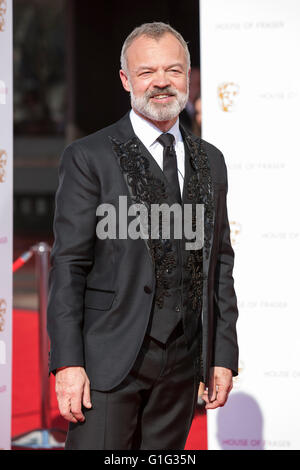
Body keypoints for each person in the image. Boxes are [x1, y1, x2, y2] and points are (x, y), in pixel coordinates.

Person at [47, 21, 239, 450]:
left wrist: (222, 356)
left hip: (183, 365)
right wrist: (68, 363)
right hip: (106, 362)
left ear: (188, 76)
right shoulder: (88, 157)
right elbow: (68, 265)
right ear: (125, 79)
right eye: (147, 72)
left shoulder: (212, 161)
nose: (161, 83)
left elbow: (220, 262)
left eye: (173, 70)